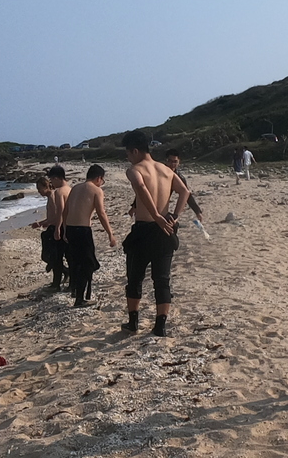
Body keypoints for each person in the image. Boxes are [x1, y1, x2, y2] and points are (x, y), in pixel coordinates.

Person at [122, 130, 189, 336]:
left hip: (144, 229)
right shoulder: (167, 170)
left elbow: (142, 188)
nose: (127, 157)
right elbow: (185, 192)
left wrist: (157, 217)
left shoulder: (134, 170)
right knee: (162, 279)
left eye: (127, 153)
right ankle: (160, 325)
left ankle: (133, 322)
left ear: (134, 151)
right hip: (165, 231)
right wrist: (173, 216)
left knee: (135, 278)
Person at [62, 164, 118, 307]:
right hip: (82, 230)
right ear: (99, 178)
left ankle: (77, 291)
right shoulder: (96, 190)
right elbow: (101, 213)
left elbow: (65, 210)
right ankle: (79, 298)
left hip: (70, 228)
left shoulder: (75, 188)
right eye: (102, 180)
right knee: (87, 264)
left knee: (78, 261)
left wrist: (64, 228)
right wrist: (110, 234)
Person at [163, 150, 204, 220]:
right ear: (165, 161)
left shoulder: (179, 177)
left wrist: (197, 212)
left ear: (179, 162)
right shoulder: (158, 173)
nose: (172, 164)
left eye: (175, 162)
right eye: (170, 161)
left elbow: (187, 194)